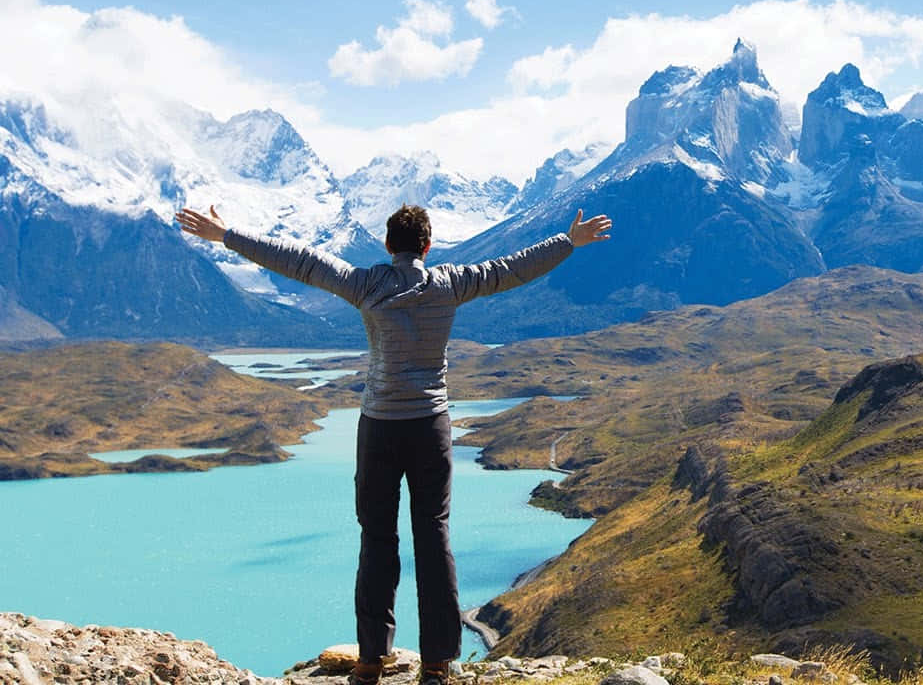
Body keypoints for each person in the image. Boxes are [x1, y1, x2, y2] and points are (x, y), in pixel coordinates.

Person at [176, 203, 611, 685]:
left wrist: (228, 235)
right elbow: (511, 269)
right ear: (428, 247)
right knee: (434, 535)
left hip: (380, 425)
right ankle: (438, 663)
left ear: (388, 246)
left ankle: (370, 661)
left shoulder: (366, 284)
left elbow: (299, 260)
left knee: (377, 538)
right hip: (431, 426)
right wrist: (568, 241)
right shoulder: (450, 282)